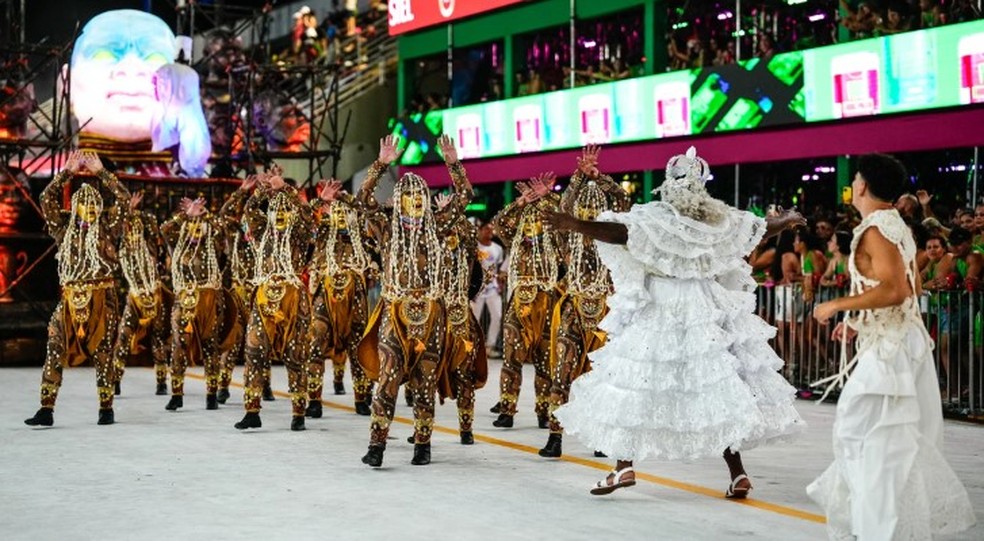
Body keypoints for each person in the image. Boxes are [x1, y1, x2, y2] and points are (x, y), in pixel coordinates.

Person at [549, 146, 805, 496]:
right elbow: (757, 229)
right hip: (704, 308)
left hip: (662, 308)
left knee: (636, 383)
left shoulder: (656, 218)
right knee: (715, 386)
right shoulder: (715, 220)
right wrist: (787, 219)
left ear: (668, 185)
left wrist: (575, 224)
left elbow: (620, 234)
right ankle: (738, 474)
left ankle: (623, 468)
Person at [810, 153, 976, 540]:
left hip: (893, 351)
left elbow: (897, 289)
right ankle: (881, 527)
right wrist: (858, 321)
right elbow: (913, 286)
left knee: (871, 442)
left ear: (862, 185)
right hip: (901, 342)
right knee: (883, 444)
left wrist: (838, 305)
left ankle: (877, 529)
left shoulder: (874, 230)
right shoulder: (896, 225)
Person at [356, 134, 472, 467]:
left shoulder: (438, 225)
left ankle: (423, 443)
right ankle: (377, 445)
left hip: (431, 314)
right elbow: (363, 199)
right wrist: (381, 164)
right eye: (408, 198)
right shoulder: (386, 226)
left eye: (419, 198)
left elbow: (464, 196)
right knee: (388, 379)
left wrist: (453, 163)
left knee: (425, 381)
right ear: (399, 201)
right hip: (395, 311)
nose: (415, 203)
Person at [25, 150, 129, 427]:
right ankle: (46, 409)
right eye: (84, 204)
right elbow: (45, 198)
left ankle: (106, 408)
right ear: (75, 208)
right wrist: (67, 173)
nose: (91, 209)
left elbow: (123, 199)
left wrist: (101, 173)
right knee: (54, 346)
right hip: (71, 298)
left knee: (103, 353)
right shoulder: (63, 228)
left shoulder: (107, 228)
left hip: (101, 297)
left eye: (94, 204)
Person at [540, 145, 630, 459]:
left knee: (605, 379)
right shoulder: (570, 234)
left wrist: (599, 176)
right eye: (584, 212)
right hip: (574, 306)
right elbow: (564, 204)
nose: (590, 215)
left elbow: (623, 200)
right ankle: (554, 436)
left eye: (596, 212)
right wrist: (578, 176)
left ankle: (602, 438)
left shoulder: (614, 235)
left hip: (606, 310)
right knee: (561, 373)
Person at [235, 172, 315, 431]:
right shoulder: (260, 232)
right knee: (254, 351)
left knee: (296, 355)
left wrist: (287, 190)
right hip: (263, 295)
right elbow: (248, 210)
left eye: (285, 211)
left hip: (293, 297)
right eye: (275, 210)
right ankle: (252, 411)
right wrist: (264, 190)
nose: (280, 214)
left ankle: (298, 413)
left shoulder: (300, 233)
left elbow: (307, 213)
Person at [490, 174, 562, 429]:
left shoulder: (555, 240)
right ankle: (507, 410)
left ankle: (544, 412)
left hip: (548, 300)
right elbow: (499, 223)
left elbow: (566, 220)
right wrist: (519, 203)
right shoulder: (516, 240)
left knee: (545, 360)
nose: (532, 227)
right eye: (527, 222)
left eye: (537, 222)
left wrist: (549, 197)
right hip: (519, 301)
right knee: (511, 358)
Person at [305, 179, 375, 418]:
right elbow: (299, 218)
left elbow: (365, 207)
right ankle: (314, 400)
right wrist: (320, 201)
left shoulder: (359, 230)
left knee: (358, 346)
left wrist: (345, 199)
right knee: (316, 342)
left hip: (355, 292)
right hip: (325, 290)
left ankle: (361, 398)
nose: (340, 215)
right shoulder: (320, 227)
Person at [160, 196, 232, 412]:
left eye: (198, 226)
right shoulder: (177, 237)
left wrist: (204, 214)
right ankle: (177, 394)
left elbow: (222, 227)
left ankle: (211, 394)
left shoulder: (213, 237)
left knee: (211, 345)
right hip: (184, 296)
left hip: (209, 295)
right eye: (191, 226)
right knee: (178, 345)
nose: (195, 231)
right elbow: (164, 228)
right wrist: (186, 215)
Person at [112, 191, 171, 397]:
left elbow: (155, 227)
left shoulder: (151, 249)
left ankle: (162, 382)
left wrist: (136, 212)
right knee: (123, 336)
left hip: (154, 295)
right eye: (130, 229)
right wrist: (127, 211)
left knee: (157, 338)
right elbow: (116, 227)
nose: (133, 232)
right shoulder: (122, 250)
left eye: (137, 229)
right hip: (134, 297)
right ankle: (116, 379)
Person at [471, 221, 505, 358]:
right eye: (486, 229)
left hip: (492, 288)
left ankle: (489, 346)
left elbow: (500, 268)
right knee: (474, 320)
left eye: (491, 229)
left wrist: (500, 281)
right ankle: (474, 347)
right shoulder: (474, 247)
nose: (489, 232)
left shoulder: (498, 249)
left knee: (497, 316)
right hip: (477, 290)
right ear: (479, 230)